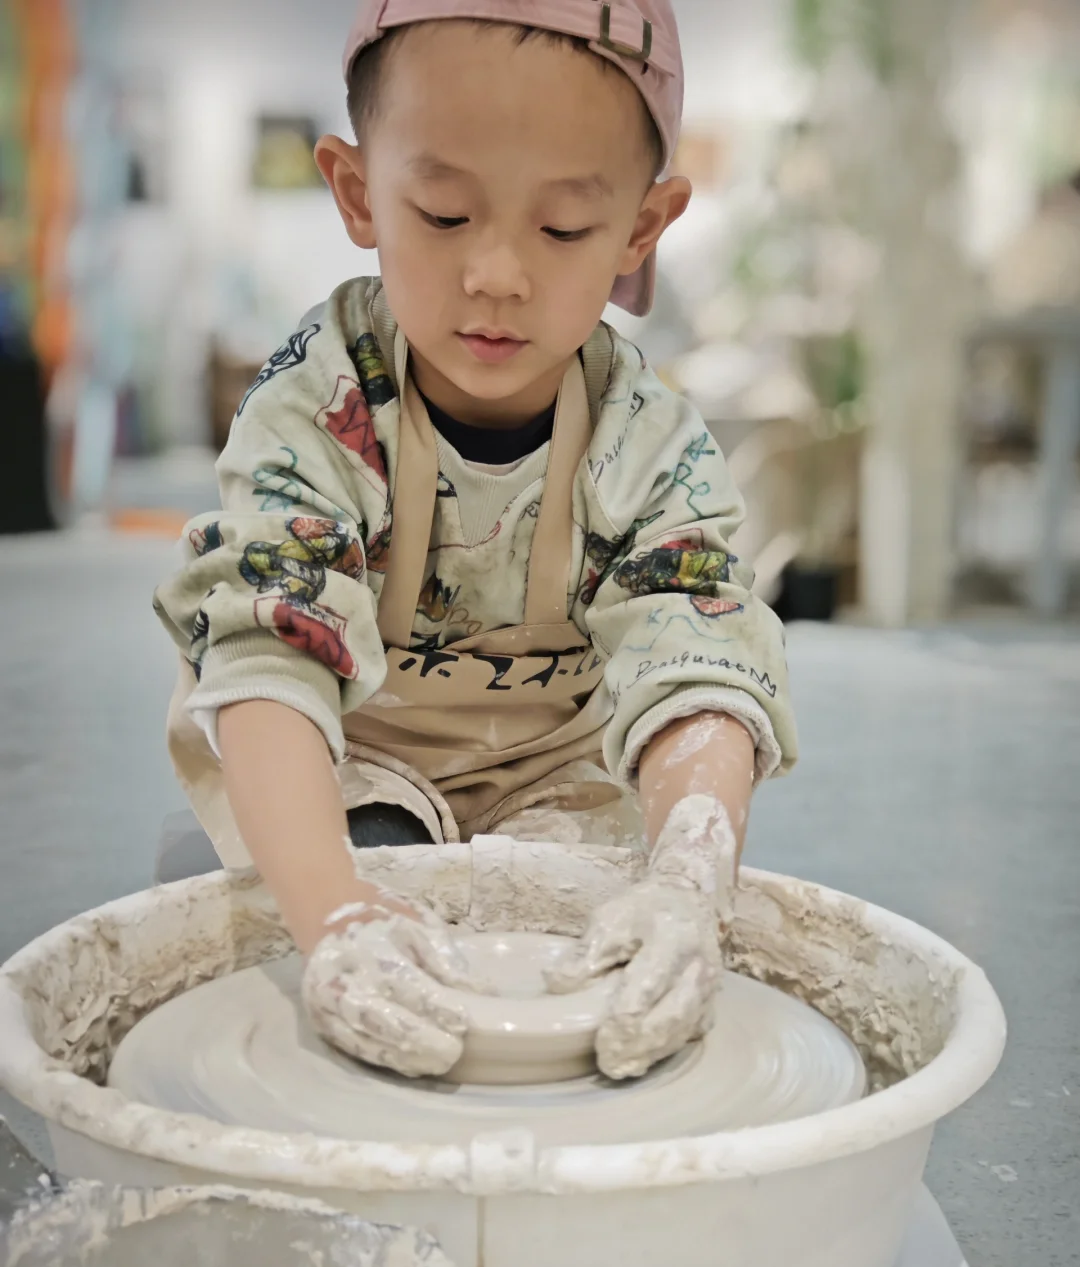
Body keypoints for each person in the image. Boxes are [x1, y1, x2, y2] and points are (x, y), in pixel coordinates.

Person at [154, 0, 797, 1083]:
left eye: (561, 230)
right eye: (446, 214)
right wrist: (336, 919)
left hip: (556, 774)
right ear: (360, 194)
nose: (496, 273)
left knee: (575, 944)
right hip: (345, 751)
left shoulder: (648, 437)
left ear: (643, 227)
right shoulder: (321, 400)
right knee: (345, 913)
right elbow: (267, 651)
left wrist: (690, 880)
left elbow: (701, 656)